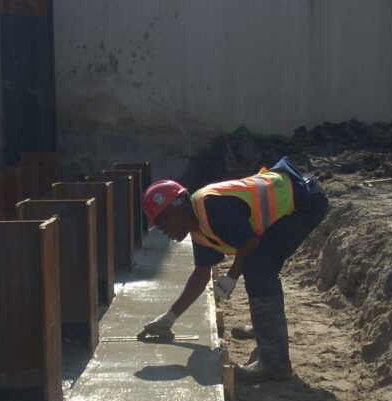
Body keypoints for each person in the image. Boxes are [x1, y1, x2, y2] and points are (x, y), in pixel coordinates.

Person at [138, 157, 329, 382]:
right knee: (258, 264)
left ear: (178, 210)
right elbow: (201, 274)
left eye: (162, 224)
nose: (164, 232)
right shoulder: (198, 229)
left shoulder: (210, 206)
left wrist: (231, 276)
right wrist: (170, 318)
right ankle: (266, 329)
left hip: (304, 201)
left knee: (259, 266)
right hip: (294, 203)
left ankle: (274, 362)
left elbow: (249, 244)